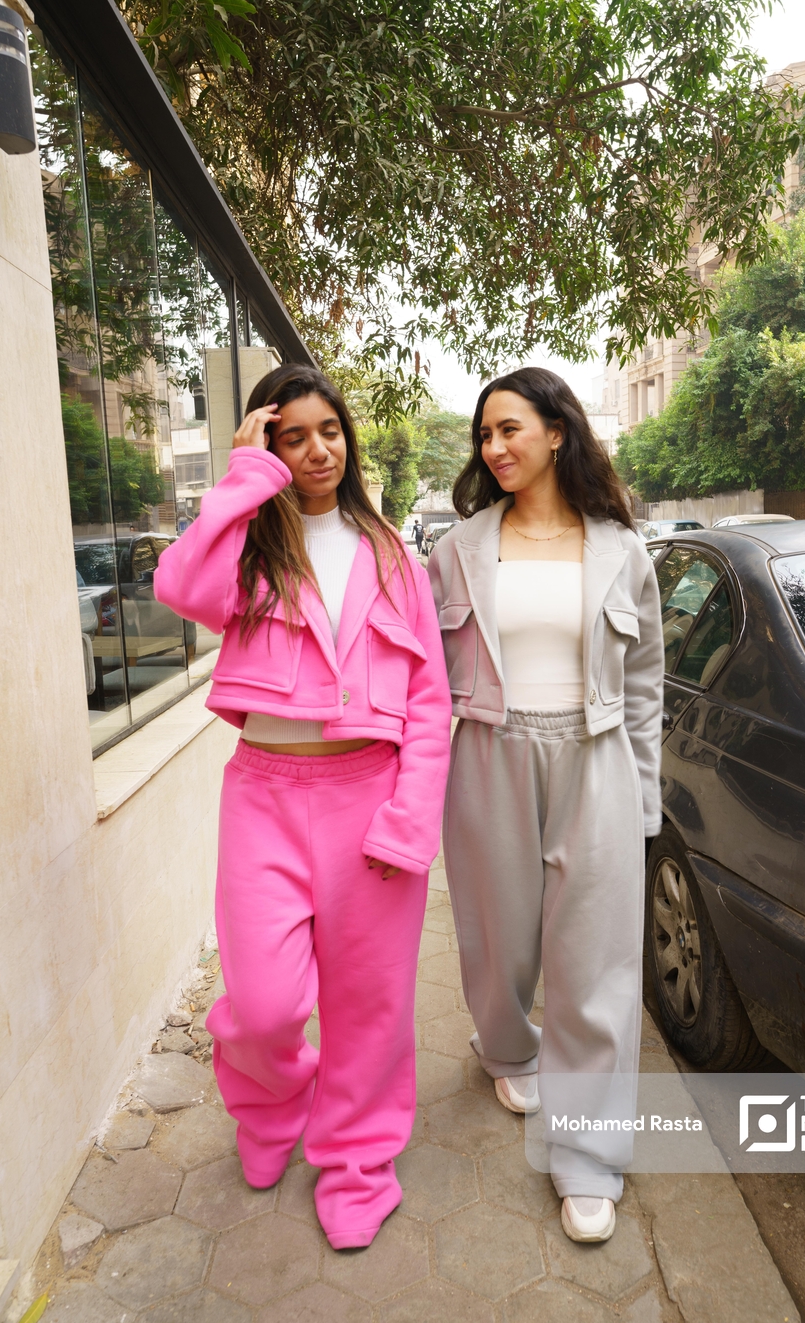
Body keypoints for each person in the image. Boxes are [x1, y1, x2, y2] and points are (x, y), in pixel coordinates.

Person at [154, 364, 451, 1250]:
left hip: (368, 792)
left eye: (330, 430)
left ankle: (359, 1158)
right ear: (270, 446)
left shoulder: (394, 554)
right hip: (265, 794)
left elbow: (431, 701)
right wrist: (242, 482)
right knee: (267, 1001)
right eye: (294, 435)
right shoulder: (246, 548)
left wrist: (411, 816)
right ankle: (273, 1097)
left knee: (370, 1002)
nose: (318, 448)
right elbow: (178, 586)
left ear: (348, 439)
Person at [428, 367, 663, 1244]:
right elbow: (424, 673)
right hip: (487, 751)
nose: (494, 449)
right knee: (500, 933)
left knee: (595, 955)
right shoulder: (456, 549)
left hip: (595, 754)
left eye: (510, 428)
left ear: (557, 431)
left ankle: (590, 1153)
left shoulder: (620, 549)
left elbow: (644, 685)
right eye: (484, 435)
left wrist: (644, 798)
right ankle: (505, 1045)